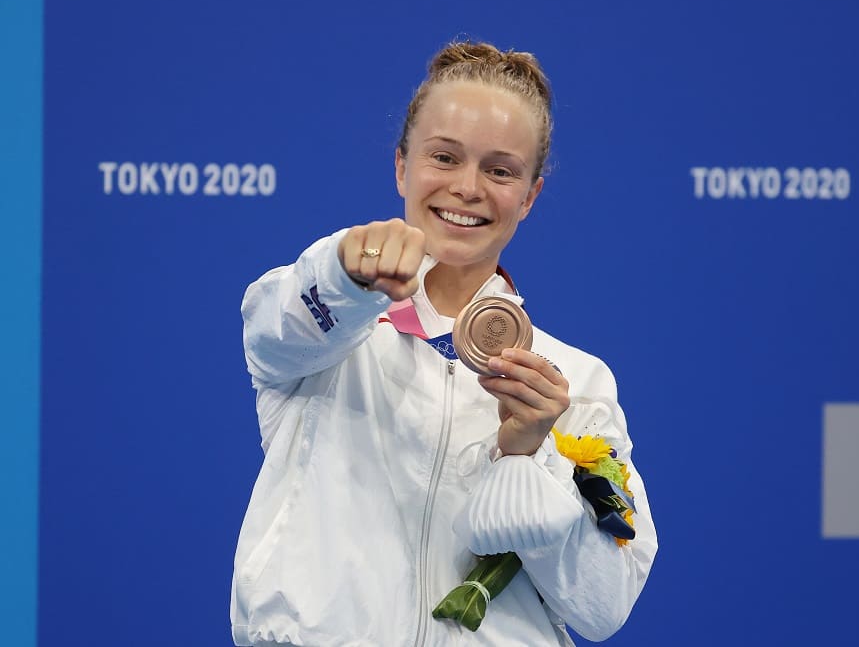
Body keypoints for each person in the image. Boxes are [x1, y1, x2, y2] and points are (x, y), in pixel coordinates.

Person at [231, 41, 657, 647]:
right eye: (444, 157)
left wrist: (526, 459)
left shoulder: (574, 386)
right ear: (401, 165)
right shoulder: (329, 333)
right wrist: (345, 274)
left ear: (529, 196)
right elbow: (276, 325)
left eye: (501, 170)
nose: (467, 187)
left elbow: (605, 605)